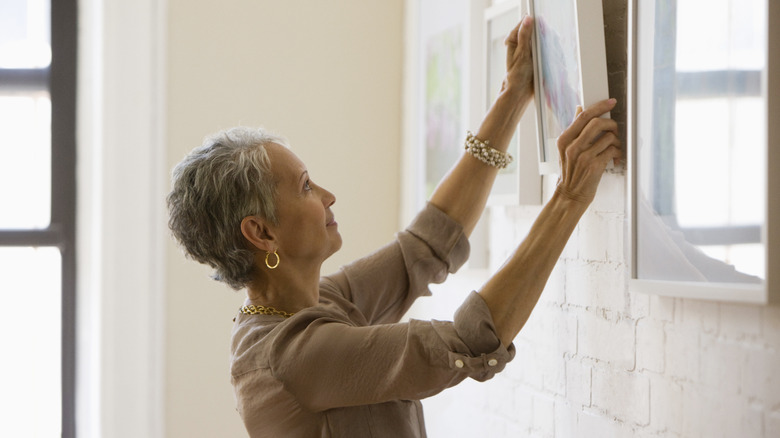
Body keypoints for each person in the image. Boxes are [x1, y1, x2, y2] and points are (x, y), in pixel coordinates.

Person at [167, 16, 620, 438]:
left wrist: (512, 95)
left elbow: (426, 242)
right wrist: (569, 196)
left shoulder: (311, 303)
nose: (328, 195)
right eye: (306, 187)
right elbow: (470, 340)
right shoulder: (295, 355)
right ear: (261, 233)